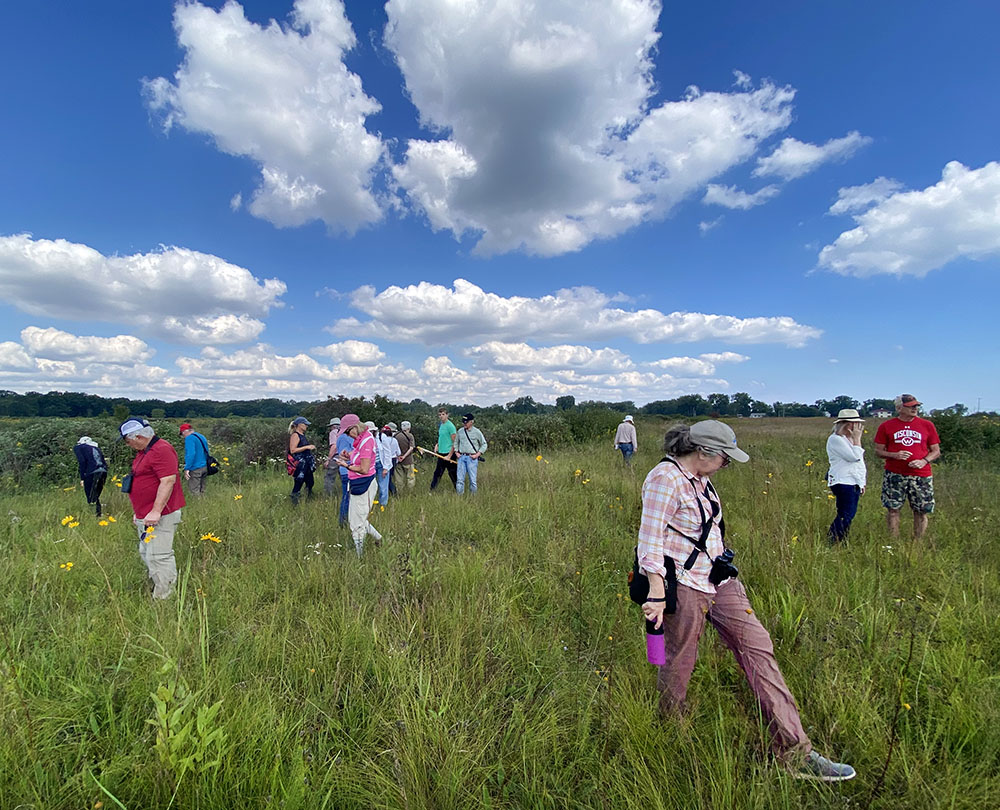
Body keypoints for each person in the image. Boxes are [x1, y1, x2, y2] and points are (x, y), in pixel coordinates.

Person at [636, 420, 855, 781]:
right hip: (684, 584)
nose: (727, 465)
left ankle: (794, 752)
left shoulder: (702, 481)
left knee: (757, 646)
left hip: (719, 581)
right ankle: (669, 735)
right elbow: (650, 539)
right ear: (703, 452)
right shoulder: (666, 478)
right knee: (679, 660)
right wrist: (657, 593)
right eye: (725, 458)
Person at [120, 418, 185, 600]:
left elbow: (168, 481)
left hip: (160, 515)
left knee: (159, 556)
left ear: (139, 436)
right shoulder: (145, 451)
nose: (128, 445)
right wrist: (140, 512)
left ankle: (164, 599)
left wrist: (156, 511)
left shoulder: (161, 450)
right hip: (146, 515)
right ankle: (158, 585)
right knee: (147, 553)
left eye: (128, 441)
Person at [873, 394, 941, 540]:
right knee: (893, 509)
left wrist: (924, 461)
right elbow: (878, 451)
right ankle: (894, 541)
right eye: (911, 406)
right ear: (899, 408)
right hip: (895, 474)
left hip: (921, 474)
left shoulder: (927, 425)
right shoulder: (886, 426)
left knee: (921, 510)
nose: (915, 409)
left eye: (916, 406)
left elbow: (936, 451)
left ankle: (918, 542)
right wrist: (894, 455)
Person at [337, 413, 382, 555]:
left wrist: (346, 465)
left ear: (355, 427)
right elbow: (359, 457)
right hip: (357, 483)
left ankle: (359, 555)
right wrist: (349, 455)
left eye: (347, 431)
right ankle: (379, 539)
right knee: (356, 519)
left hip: (364, 484)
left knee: (357, 523)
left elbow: (364, 468)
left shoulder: (366, 441)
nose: (347, 435)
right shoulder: (361, 440)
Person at [826, 409, 867, 544]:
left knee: (848, 514)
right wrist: (857, 440)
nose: (857, 428)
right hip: (842, 481)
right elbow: (854, 457)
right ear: (845, 424)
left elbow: (860, 464)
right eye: (854, 424)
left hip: (852, 481)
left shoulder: (848, 440)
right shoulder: (835, 439)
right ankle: (833, 539)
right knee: (846, 513)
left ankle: (840, 539)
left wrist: (861, 482)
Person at [73, 436, 107, 518]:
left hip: (92, 472)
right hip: (103, 471)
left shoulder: (79, 447)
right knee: (95, 494)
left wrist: (82, 477)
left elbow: (82, 461)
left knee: (91, 495)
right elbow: (103, 461)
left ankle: (96, 515)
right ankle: (98, 514)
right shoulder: (96, 448)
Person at [454, 413, 487, 495]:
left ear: (471, 422)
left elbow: (484, 444)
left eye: (466, 422)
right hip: (461, 457)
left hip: (472, 458)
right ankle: (459, 497)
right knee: (460, 480)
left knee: (472, 480)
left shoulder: (477, 432)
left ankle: (473, 497)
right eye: (463, 422)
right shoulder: (460, 431)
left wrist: (477, 454)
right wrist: (456, 452)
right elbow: (456, 442)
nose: (464, 424)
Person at [288, 417, 316, 505]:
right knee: (299, 482)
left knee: (310, 482)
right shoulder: (295, 435)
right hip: (300, 464)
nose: (307, 426)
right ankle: (294, 502)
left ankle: (307, 499)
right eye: (305, 424)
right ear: (299, 425)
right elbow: (292, 450)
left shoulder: (302, 435)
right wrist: (307, 447)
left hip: (306, 463)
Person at [179, 423, 211, 497]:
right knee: (202, 489)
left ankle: (198, 506)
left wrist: (187, 468)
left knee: (194, 491)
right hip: (205, 466)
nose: (183, 436)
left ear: (184, 431)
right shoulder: (201, 436)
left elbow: (191, 454)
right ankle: (204, 505)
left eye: (182, 434)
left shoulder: (189, 438)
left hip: (195, 467)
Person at [430, 408, 458, 491]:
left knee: (453, 473)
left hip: (449, 453)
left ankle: (458, 490)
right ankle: (432, 490)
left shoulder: (450, 426)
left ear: (447, 415)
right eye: (439, 415)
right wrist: (437, 445)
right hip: (441, 453)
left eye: (443, 414)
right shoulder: (441, 425)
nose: (441, 416)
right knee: (437, 473)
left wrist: (449, 455)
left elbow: (455, 442)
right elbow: (441, 437)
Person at [376, 425, 400, 507]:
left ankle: (391, 493)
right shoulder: (394, 440)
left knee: (386, 480)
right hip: (391, 460)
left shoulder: (381, 438)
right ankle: (392, 493)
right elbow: (398, 452)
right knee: (388, 479)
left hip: (384, 461)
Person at [394, 420, 416, 490]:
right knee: (410, 477)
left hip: (398, 460)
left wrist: (398, 457)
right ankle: (410, 492)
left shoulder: (395, 435)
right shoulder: (410, 436)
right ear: (409, 428)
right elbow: (411, 448)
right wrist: (404, 456)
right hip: (408, 461)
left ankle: (399, 492)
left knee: (399, 478)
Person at [323, 417, 342, 496]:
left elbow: (334, 446)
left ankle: (328, 496)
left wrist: (328, 459)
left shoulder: (333, 432)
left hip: (336, 457)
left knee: (329, 477)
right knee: (344, 477)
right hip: (345, 457)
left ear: (333, 426)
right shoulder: (344, 432)